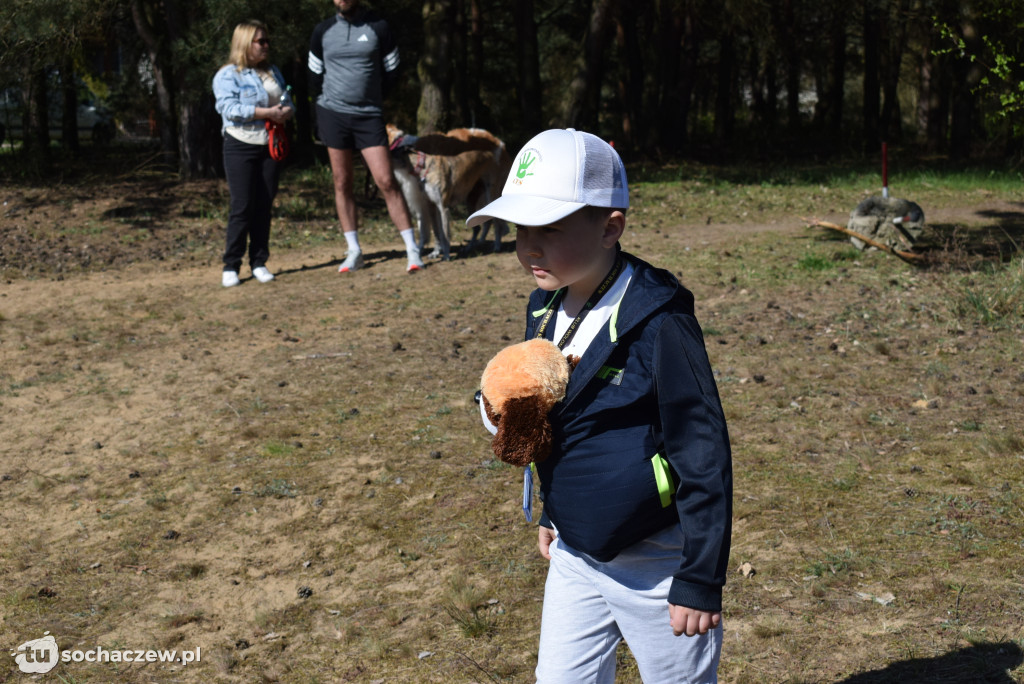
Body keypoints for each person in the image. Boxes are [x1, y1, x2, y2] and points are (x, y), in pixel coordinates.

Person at [468, 129, 733, 683]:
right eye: (520, 228)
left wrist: (700, 577)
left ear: (611, 227)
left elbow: (702, 449)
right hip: (575, 556)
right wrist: (554, 511)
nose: (529, 246)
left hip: (657, 561)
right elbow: (560, 423)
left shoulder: (661, 322)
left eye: (549, 229)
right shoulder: (544, 306)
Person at [308, 0, 423, 273]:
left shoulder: (378, 27)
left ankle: (412, 250)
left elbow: (393, 70)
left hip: (369, 116)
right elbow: (313, 75)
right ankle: (354, 251)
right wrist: (322, 108)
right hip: (332, 114)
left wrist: (374, 98)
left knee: (386, 180)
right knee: (342, 181)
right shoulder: (322, 31)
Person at [212, 20, 294, 288]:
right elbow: (229, 109)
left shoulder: (273, 71)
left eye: (267, 40)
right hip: (240, 144)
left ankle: (259, 262)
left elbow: (287, 100)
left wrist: (286, 111)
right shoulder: (227, 75)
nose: (266, 46)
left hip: (269, 143)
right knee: (243, 205)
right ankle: (231, 265)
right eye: (261, 41)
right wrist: (266, 113)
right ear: (245, 43)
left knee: (264, 203)